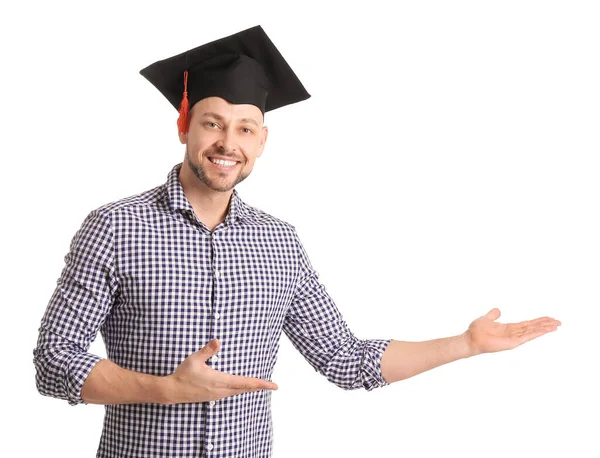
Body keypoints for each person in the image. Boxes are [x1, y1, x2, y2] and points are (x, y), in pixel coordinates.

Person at [33, 25, 561, 458]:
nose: (227, 143)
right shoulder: (114, 227)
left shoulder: (279, 243)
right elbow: (54, 360)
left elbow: (345, 359)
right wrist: (164, 390)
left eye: (245, 128)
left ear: (262, 141)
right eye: (212, 123)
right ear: (184, 126)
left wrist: (465, 344)